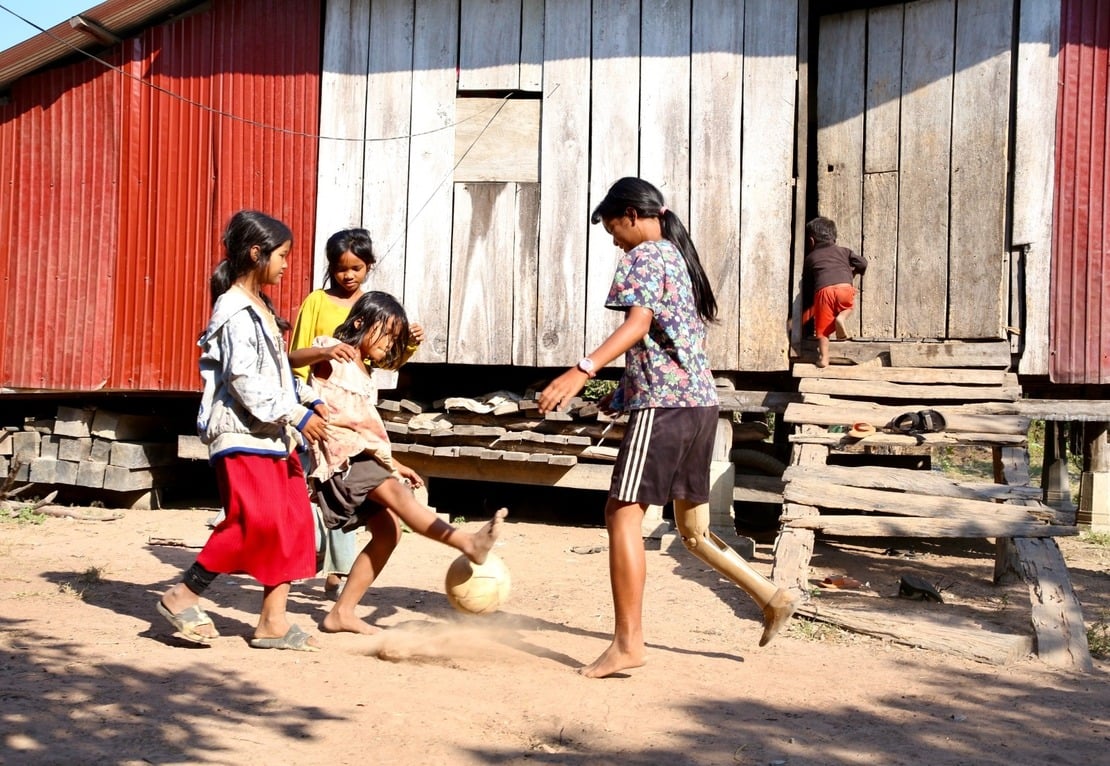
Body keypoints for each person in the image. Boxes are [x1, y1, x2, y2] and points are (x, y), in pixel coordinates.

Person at [537, 177, 799, 679]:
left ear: (632, 215)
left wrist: (581, 369)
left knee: (621, 513)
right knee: (694, 531)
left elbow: (637, 326)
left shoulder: (643, 256)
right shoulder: (676, 257)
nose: (613, 238)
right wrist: (621, 395)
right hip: (699, 404)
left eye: (613, 226)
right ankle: (772, 597)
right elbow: (665, 344)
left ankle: (627, 643)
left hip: (666, 406)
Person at [156, 210, 329, 652]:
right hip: (241, 432)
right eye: (283, 255)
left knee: (292, 524)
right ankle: (184, 594)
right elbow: (244, 380)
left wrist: (308, 400)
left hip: (272, 434)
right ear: (257, 253)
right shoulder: (232, 309)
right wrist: (295, 415)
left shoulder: (263, 309)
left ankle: (273, 621)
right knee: (257, 522)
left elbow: (275, 374)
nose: (288, 264)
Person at [305, 290, 507, 635]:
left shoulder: (365, 374)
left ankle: (342, 612)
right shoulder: (332, 355)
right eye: (387, 334)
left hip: (362, 455)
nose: (390, 343)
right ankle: (466, 543)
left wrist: (393, 463)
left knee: (389, 531)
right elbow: (293, 356)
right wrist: (323, 349)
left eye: (396, 338)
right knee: (400, 498)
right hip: (340, 457)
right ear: (359, 324)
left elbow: (365, 430)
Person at [287, 228, 424, 597]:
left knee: (352, 494)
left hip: (354, 417)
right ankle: (311, 560)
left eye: (357, 268)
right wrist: (301, 405)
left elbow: (384, 363)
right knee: (323, 489)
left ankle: (338, 574)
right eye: (341, 268)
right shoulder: (317, 302)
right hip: (316, 410)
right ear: (331, 268)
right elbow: (298, 354)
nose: (349, 276)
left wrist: (407, 344)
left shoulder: (375, 306)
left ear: (369, 267)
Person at [801, 216, 867, 368]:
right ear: (834, 237)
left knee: (822, 330)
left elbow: (808, 282)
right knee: (848, 307)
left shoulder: (811, 258)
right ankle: (842, 317)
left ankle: (824, 359)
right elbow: (862, 263)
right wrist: (853, 273)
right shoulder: (844, 251)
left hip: (824, 291)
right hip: (845, 288)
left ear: (811, 241)